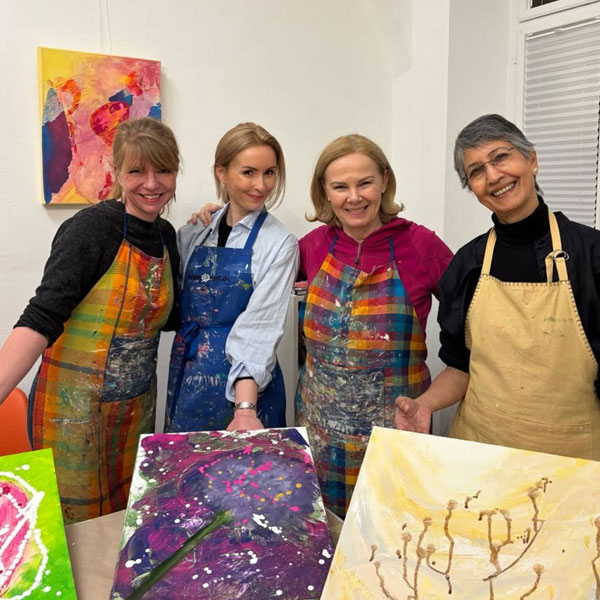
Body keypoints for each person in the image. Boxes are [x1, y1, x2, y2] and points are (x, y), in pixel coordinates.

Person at [0, 117, 180, 523]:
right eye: (137, 171)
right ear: (116, 171)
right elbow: (41, 318)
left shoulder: (167, 236)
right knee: (78, 533)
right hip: (72, 414)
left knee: (124, 524)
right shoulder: (89, 230)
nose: (152, 183)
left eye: (164, 170)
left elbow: (173, 320)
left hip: (134, 412)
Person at [395, 113, 600, 461]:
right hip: (482, 452)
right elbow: (460, 367)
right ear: (472, 189)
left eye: (501, 157)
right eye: (476, 171)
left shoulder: (591, 254)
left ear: (531, 159)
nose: (492, 176)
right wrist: (423, 405)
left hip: (572, 460)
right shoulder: (468, 264)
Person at [296, 134, 453, 517]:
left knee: (393, 535)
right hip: (321, 437)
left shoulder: (421, 246)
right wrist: (218, 217)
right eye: (340, 186)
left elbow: (470, 332)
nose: (354, 197)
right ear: (324, 190)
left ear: (384, 180)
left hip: (397, 432)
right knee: (327, 535)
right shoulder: (311, 246)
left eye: (364, 183)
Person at [166, 122, 299, 433]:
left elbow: (261, 328)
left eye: (269, 172)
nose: (261, 185)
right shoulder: (193, 233)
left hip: (248, 389)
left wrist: (244, 408)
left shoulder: (279, 243)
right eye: (249, 172)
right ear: (221, 173)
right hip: (188, 377)